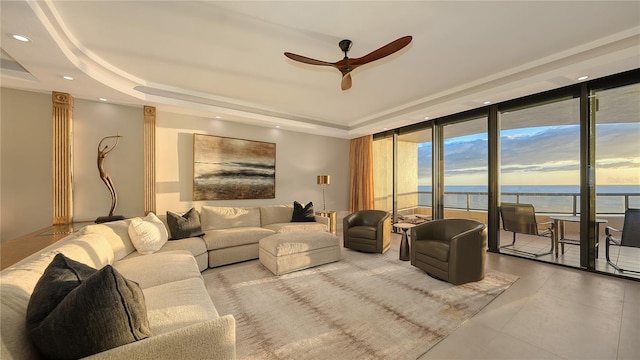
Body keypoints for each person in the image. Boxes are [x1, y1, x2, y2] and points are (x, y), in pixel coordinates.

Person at [97, 135, 122, 216]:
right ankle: (111, 212)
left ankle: (112, 212)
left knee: (114, 192)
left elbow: (110, 149)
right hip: (102, 174)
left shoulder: (102, 152)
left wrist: (116, 141)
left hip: (104, 173)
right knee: (112, 193)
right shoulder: (99, 153)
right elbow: (100, 145)